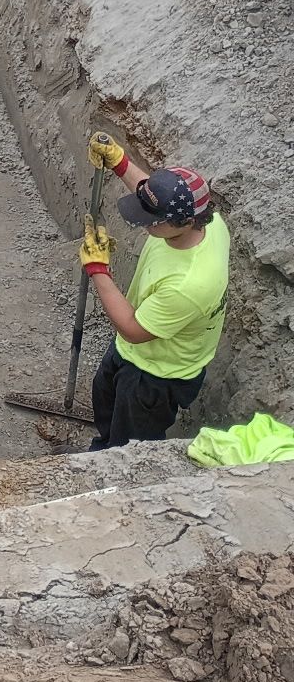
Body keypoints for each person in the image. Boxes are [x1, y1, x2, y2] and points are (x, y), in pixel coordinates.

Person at [81, 132, 230, 450]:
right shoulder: (206, 220)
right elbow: (157, 195)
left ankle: (117, 489)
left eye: (153, 221)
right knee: (105, 397)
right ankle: (99, 452)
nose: (144, 224)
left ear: (185, 221)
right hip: (135, 348)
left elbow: (134, 329)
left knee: (130, 447)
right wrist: (120, 161)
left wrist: (98, 268)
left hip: (157, 375)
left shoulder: (190, 283)